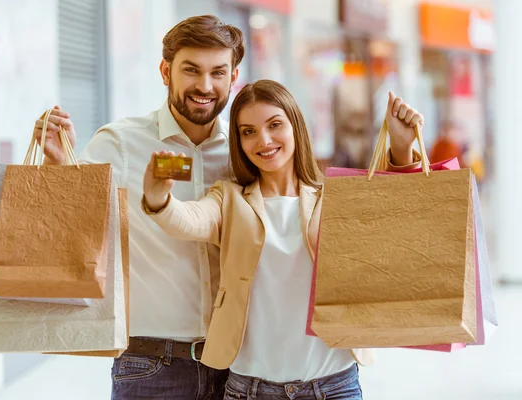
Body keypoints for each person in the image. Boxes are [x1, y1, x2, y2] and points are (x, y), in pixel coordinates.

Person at [142, 80, 424, 400]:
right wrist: (158, 200)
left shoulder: (336, 196)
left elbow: (399, 220)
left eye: (274, 125)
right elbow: (188, 221)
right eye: (248, 131)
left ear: (295, 126)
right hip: (251, 389)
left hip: (333, 384)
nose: (263, 140)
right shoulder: (229, 199)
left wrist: (401, 149)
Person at [33, 15, 244, 400]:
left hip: (240, 366)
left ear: (233, 78)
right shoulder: (120, 143)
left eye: (218, 72)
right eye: (191, 70)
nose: (205, 85)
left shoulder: (246, 150)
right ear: (166, 71)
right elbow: (71, 224)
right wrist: (58, 163)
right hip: (152, 367)